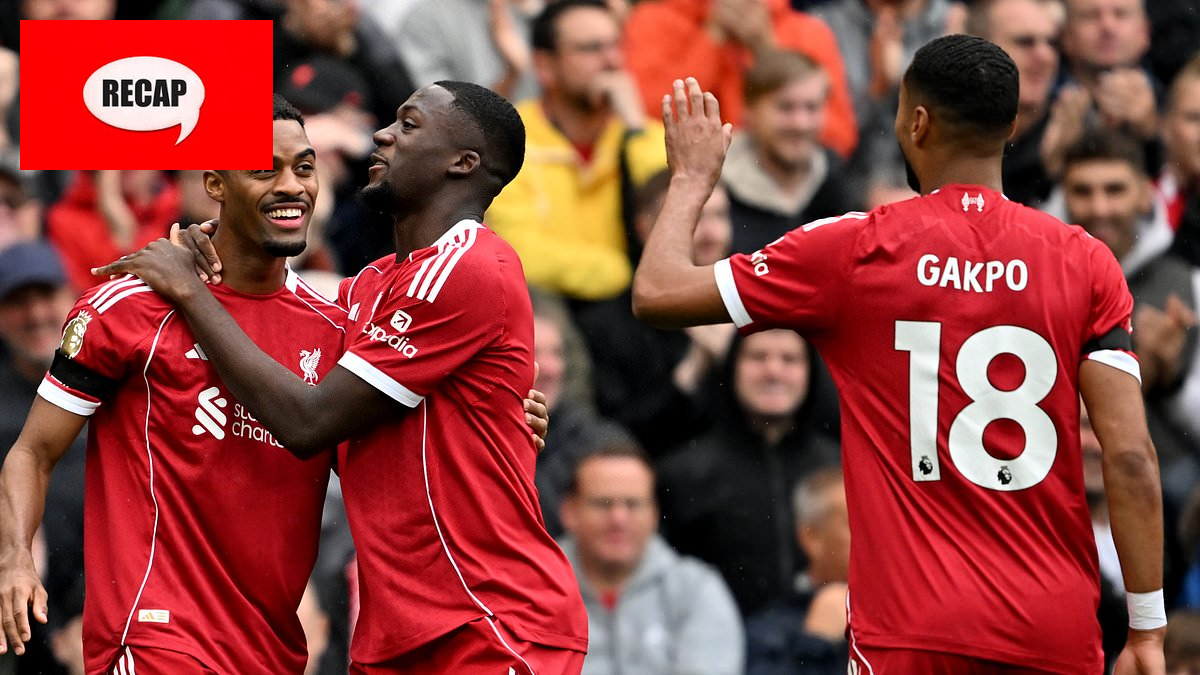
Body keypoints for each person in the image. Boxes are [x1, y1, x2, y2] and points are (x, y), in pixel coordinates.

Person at [632, 34, 1166, 672]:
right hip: (1049, 628)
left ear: (917, 122)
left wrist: (691, 179)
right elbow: (1130, 458)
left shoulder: (855, 249)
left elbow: (657, 292)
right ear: (1009, 128)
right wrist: (1146, 631)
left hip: (912, 630)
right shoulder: (1087, 262)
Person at [0, 95, 554, 674]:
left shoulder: (337, 327)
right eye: (265, 169)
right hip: (157, 635)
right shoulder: (132, 304)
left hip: (272, 650)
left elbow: (373, 442)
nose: (291, 186)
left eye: (305, 168)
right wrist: (15, 557)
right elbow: (33, 451)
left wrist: (493, 416)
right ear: (215, 184)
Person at [485, 0, 666, 302]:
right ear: (545, 66)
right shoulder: (509, 142)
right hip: (548, 311)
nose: (612, 61)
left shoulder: (646, 136)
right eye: (592, 49)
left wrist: (635, 128)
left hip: (640, 312)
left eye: (616, 45)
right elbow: (515, 252)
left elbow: (675, 222)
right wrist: (618, 273)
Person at [656, 329, 839, 617]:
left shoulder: (841, 468)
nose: (773, 371)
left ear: (811, 373)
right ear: (732, 365)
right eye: (757, 357)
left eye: (790, 359)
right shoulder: (684, 473)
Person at [558, 443, 744, 675]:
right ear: (570, 512)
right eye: (603, 503)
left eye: (633, 504)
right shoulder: (533, 589)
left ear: (654, 514)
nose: (618, 519)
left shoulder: (696, 589)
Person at [622, 0, 857, 158]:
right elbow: (642, 124)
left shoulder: (809, 32)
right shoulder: (653, 21)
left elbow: (838, 140)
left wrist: (764, 48)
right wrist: (712, 38)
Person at [722, 49, 858, 254]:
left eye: (811, 107)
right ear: (749, 112)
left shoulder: (835, 179)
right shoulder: (717, 188)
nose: (800, 124)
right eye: (785, 107)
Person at [745, 464, 850, 675]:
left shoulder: (906, 609)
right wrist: (815, 644)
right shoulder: (769, 632)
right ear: (812, 538)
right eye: (854, 522)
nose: (874, 534)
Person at [965, 0, 1062, 207]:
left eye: (1052, 43)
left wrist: (1060, 171)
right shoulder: (942, 125)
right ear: (977, 50)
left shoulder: (1077, 128)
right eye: (1025, 42)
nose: (1045, 56)